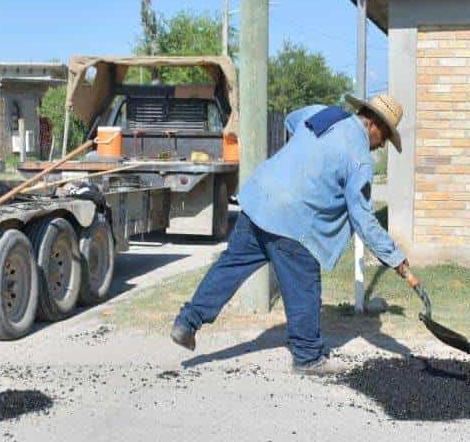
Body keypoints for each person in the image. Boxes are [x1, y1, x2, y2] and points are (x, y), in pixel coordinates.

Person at [170, 93, 428, 373]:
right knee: (304, 286)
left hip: (260, 198)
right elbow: (363, 220)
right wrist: (396, 259)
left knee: (229, 266)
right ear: (374, 125)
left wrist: (306, 158)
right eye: (385, 138)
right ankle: (307, 357)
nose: (381, 146)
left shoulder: (323, 113)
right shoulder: (360, 159)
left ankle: (187, 322)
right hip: (295, 220)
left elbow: (292, 122)